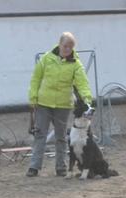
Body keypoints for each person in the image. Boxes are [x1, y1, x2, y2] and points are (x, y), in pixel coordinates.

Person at [27, 31, 95, 178]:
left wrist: (87, 98)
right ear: (60, 44)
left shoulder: (76, 64)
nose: (67, 50)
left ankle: (61, 167)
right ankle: (34, 167)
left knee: (61, 137)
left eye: (70, 47)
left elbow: (82, 82)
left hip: (63, 105)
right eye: (65, 46)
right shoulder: (46, 58)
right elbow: (36, 78)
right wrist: (33, 97)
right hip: (43, 102)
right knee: (40, 135)